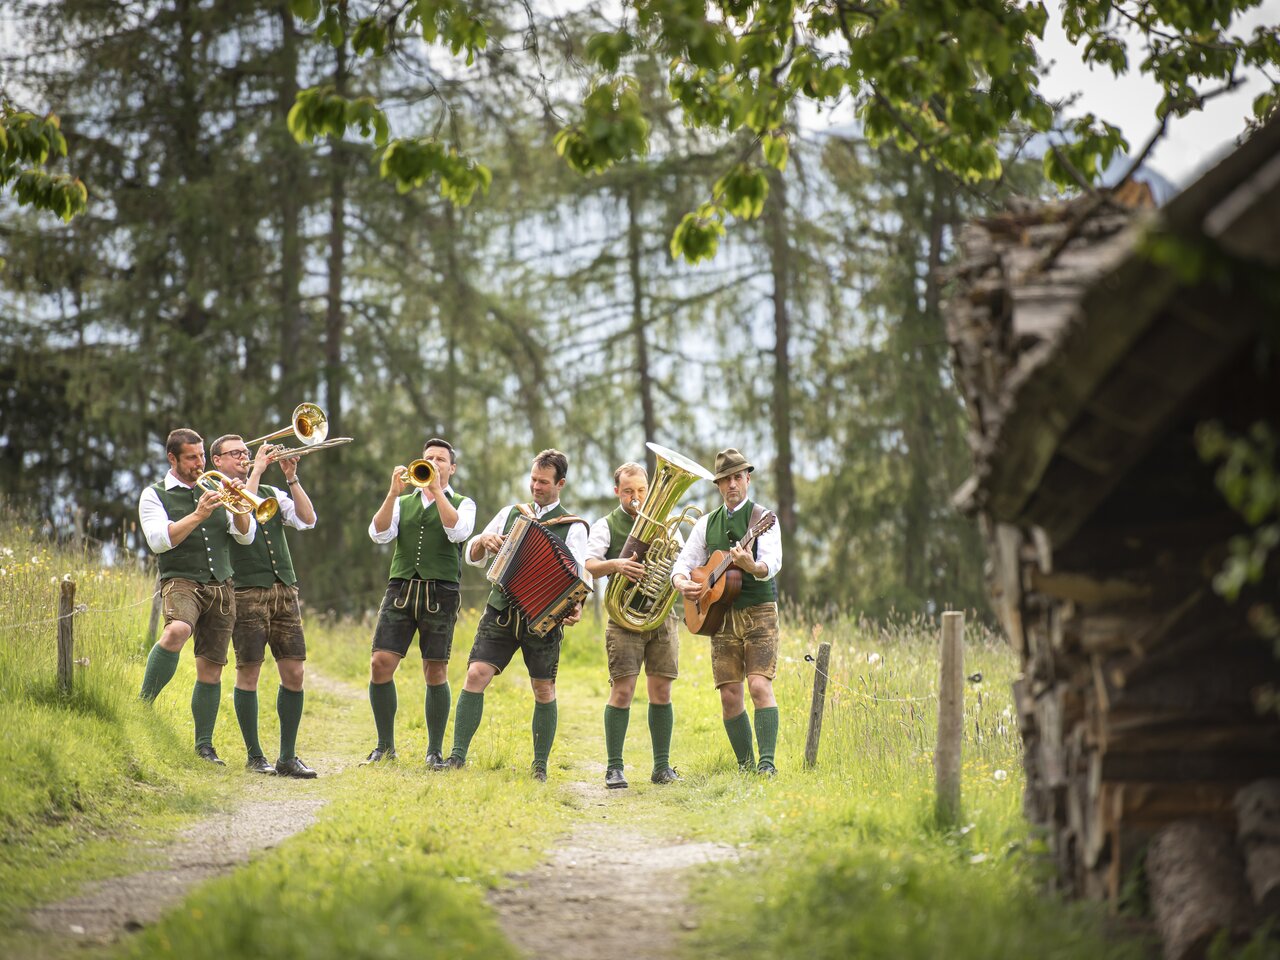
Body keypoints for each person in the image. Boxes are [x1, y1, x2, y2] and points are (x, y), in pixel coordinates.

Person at [446, 449, 587, 781]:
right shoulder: (511, 513)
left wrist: (576, 606)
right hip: (502, 610)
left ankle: (539, 767)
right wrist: (483, 540)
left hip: (543, 618)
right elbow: (472, 555)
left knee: (543, 689)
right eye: (533, 479)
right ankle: (457, 756)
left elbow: (579, 579)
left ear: (560, 484)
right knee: (475, 674)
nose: (536, 486)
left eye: (543, 482)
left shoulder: (574, 527)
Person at [137, 428, 256, 766]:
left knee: (211, 668)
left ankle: (204, 745)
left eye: (202, 456)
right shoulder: (154, 494)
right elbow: (159, 541)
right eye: (191, 458)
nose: (199, 463)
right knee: (177, 630)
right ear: (172, 458)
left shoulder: (217, 489)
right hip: (181, 579)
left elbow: (245, 537)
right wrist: (198, 515)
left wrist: (239, 503)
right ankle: (143, 703)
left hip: (221, 584)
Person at [209, 434, 318, 778]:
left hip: (284, 589)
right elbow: (244, 529)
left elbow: (308, 519)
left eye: (246, 452)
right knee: (249, 672)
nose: (243, 457)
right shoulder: (216, 493)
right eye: (235, 453)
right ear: (217, 461)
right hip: (246, 591)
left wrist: (291, 477)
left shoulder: (271, 491)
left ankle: (287, 756)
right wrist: (256, 471)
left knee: (295, 672)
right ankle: (255, 755)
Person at [363, 438, 476, 767]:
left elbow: (458, 532)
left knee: (435, 669)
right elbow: (378, 534)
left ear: (452, 468)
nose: (434, 463)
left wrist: (437, 491)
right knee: (380, 663)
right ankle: (385, 747)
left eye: (441, 459)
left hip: (441, 592)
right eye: (429, 458)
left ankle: (434, 751)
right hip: (401, 588)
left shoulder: (464, 503)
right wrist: (391, 494)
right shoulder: (403, 501)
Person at [672, 448, 783, 776]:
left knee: (759, 685)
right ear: (718, 485)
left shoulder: (763, 518)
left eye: (737, 477)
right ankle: (745, 767)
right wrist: (682, 583)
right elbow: (684, 563)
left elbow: (772, 562)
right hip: (719, 616)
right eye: (725, 479)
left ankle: (767, 765)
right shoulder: (706, 523)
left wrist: (753, 565)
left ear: (748, 479)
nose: (732, 484)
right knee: (729, 694)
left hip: (759, 611)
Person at [585, 461, 681, 789]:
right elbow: (589, 564)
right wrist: (617, 564)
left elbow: (682, 562)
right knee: (623, 691)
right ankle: (614, 768)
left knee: (662, 691)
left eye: (641, 490)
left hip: (661, 617)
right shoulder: (606, 525)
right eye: (628, 491)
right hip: (624, 619)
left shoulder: (667, 523)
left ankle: (662, 767)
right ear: (617, 492)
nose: (635, 497)